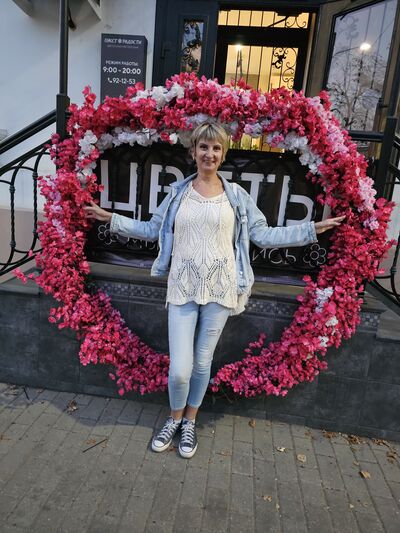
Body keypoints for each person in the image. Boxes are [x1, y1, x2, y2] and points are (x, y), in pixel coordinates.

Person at [84, 122, 345, 459]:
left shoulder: (236, 196)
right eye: (204, 147)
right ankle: (173, 418)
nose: (209, 153)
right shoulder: (178, 193)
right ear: (193, 152)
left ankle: (189, 422)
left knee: (202, 362)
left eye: (216, 148)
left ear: (223, 154)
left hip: (221, 290)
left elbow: (264, 235)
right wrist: (111, 218)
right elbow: (151, 229)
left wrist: (311, 229)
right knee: (180, 369)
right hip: (182, 287)